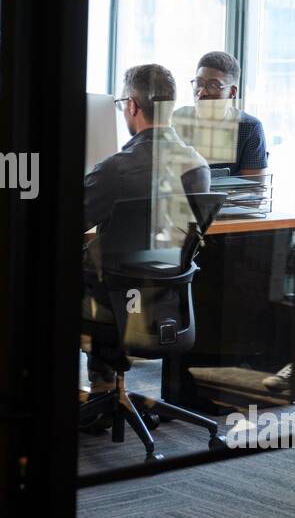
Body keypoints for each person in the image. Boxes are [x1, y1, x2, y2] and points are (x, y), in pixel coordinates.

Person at [82, 63, 210, 394]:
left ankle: (99, 390)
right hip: (168, 297)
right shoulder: (197, 165)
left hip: (115, 298)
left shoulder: (114, 170)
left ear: (133, 105)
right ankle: (105, 390)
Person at [172, 50, 268, 176]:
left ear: (232, 92)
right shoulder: (176, 119)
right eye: (199, 84)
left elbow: (254, 190)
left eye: (213, 86)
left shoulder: (249, 127)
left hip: (228, 196)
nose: (202, 92)